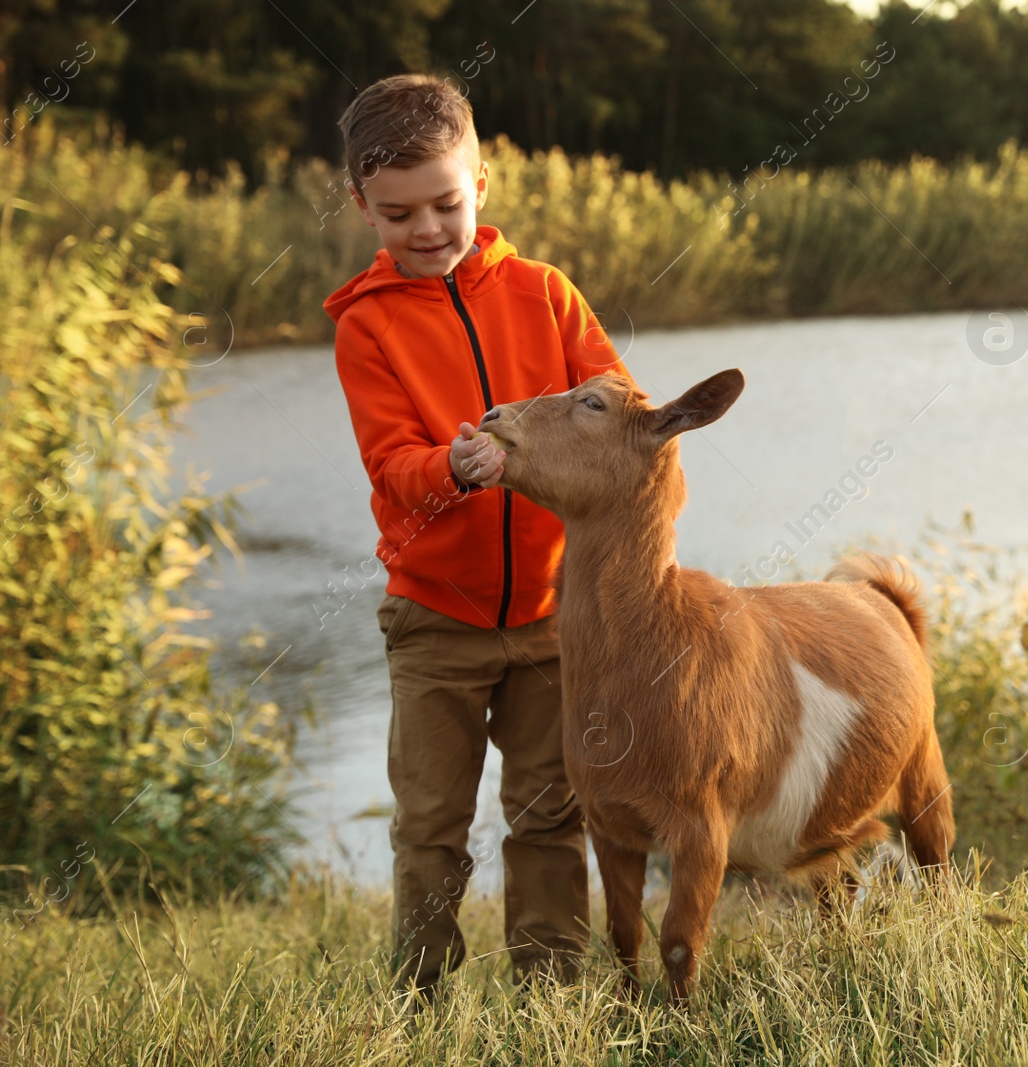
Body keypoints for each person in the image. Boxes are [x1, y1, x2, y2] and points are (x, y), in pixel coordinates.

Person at [322, 72, 630, 1001]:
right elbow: (391, 464)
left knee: (548, 810)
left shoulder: (544, 293)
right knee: (430, 824)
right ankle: (420, 994)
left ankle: (551, 995)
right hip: (434, 619)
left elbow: (611, 395)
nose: (425, 230)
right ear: (361, 205)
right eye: (397, 213)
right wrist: (452, 469)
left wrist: (620, 418)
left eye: (445, 204)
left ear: (481, 184)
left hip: (550, 612)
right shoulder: (365, 328)